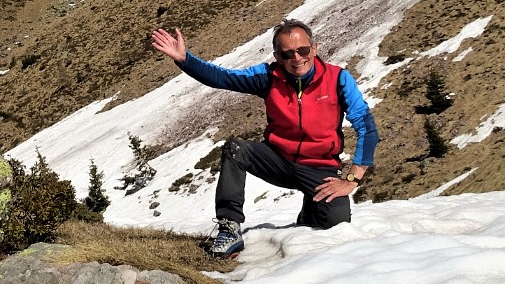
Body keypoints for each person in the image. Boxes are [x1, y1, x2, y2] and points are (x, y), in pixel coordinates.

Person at [150, 18, 378, 257]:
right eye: (288, 54)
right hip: (277, 161)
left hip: (319, 169)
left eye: (303, 50)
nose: (297, 59)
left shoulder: (338, 79)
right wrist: (185, 59)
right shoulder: (268, 77)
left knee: (336, 226)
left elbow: (366, 127)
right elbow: (223, 78)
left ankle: (311, 208)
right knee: (236, 149)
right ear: (277, 56)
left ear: (314, 48)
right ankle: (229, 229)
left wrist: (351, 180)